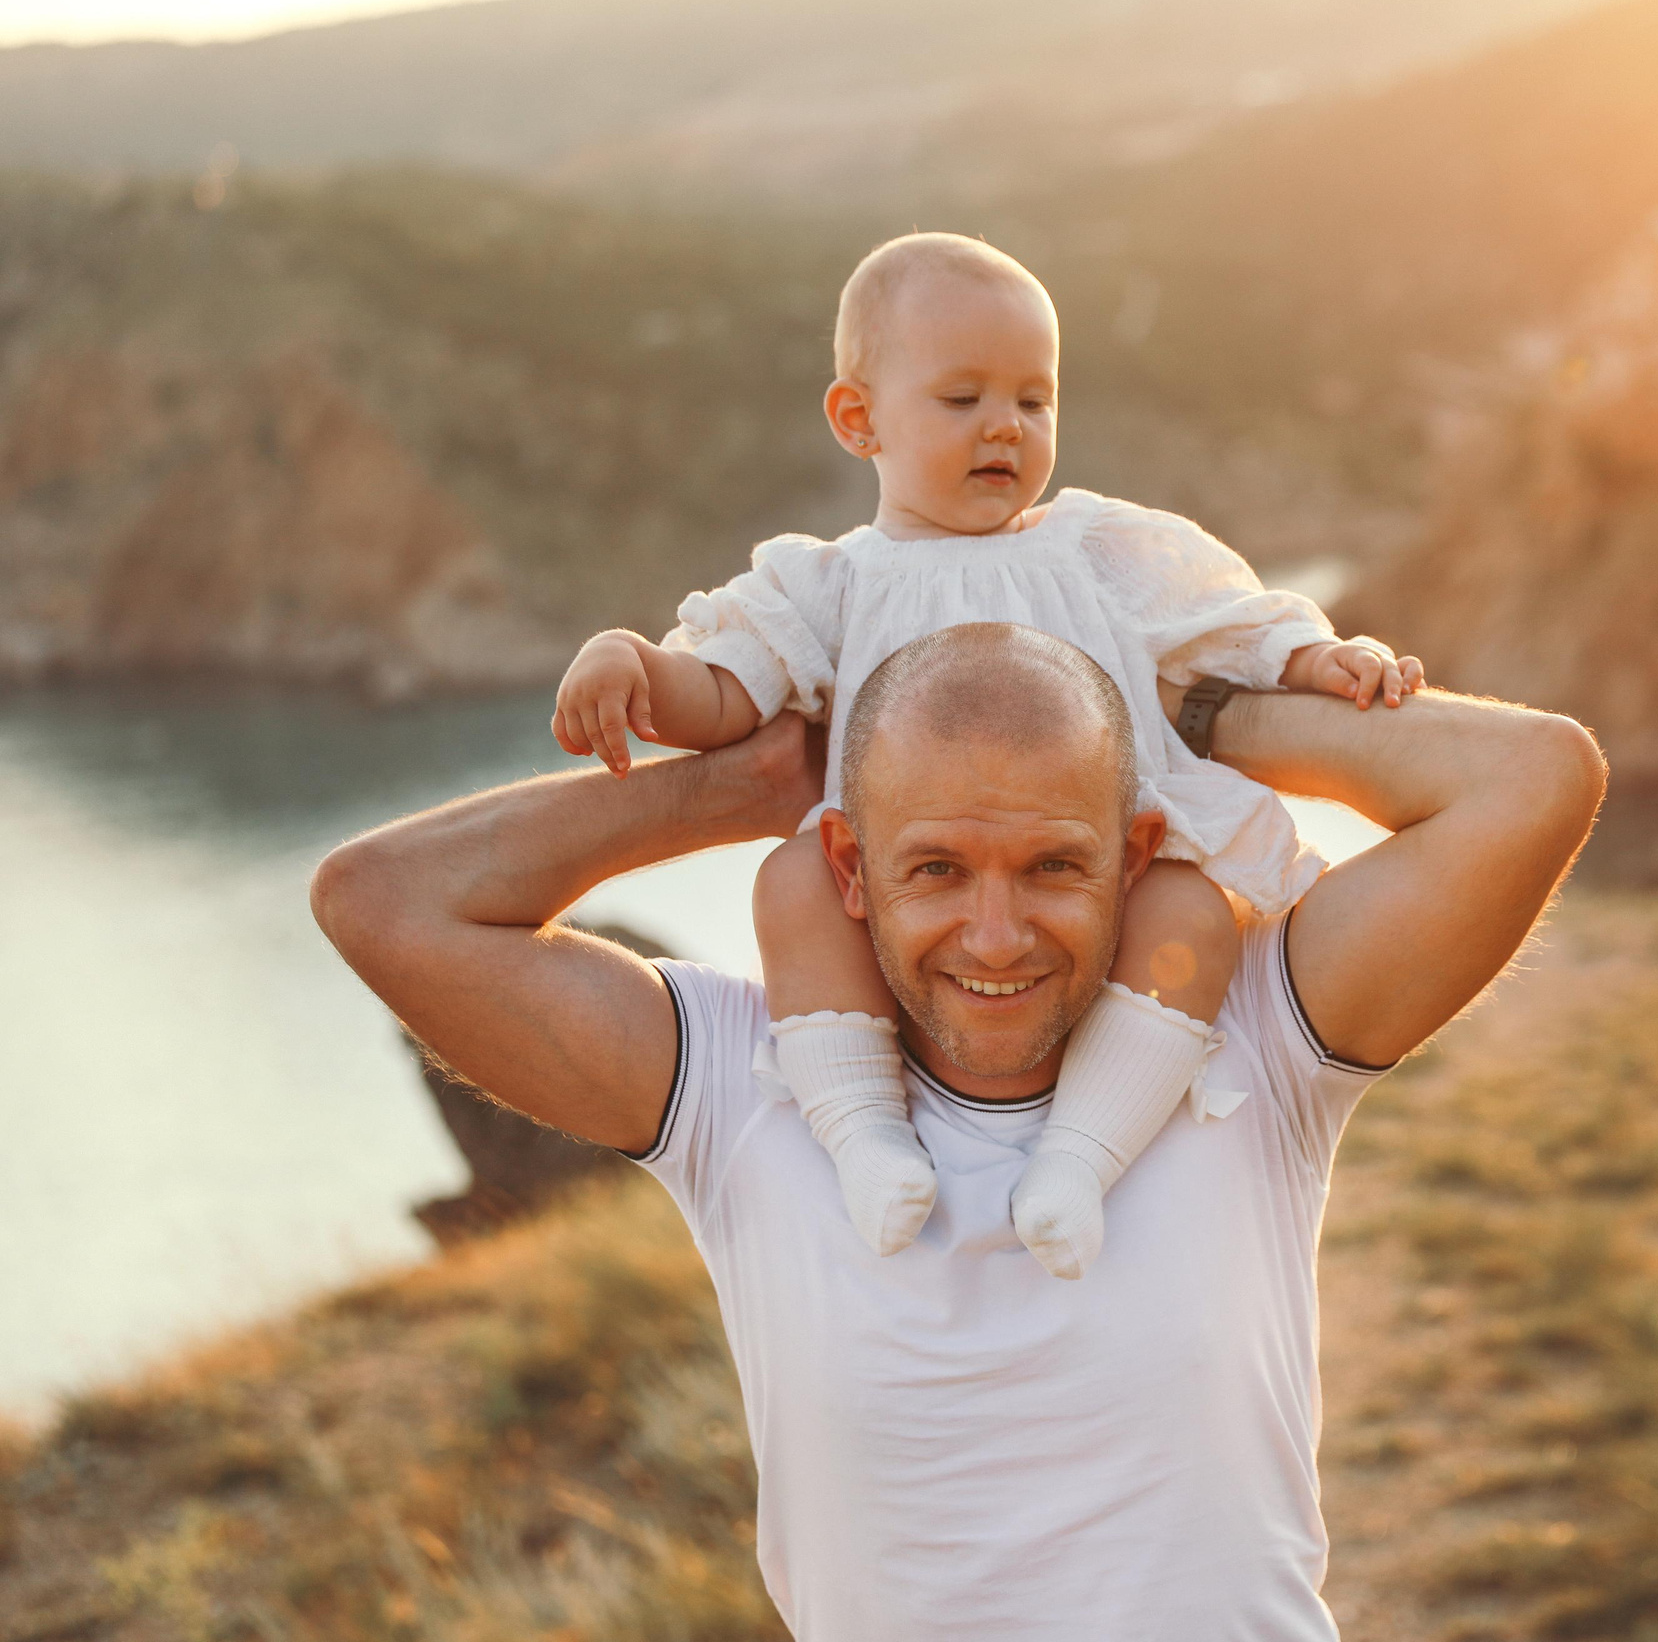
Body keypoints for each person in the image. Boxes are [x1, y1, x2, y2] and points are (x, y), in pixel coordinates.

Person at [310, 621, 1604, 1642]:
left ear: (1136, 849)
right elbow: (381, 899)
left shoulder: (1256, 1032)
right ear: (849, 867)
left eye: (1054, 863)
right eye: (935, 869)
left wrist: (1204, 705)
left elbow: (1535, 774)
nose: (997, 935)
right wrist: (737, 784)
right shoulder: (736, 1085)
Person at [549, 232, 1424, 1278]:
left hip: (1100, 864)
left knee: (1191, 913)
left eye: (1034, 400)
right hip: (908, 888)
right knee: (792, 886)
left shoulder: (1095, 548)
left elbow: (1226, 623)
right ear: (857, 418)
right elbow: (730, 691)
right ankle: (865, 1137)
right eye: (961, 399)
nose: (1005, 425)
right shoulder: (828, 585)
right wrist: (635, 667)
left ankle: (1079, 1161)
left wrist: (1320, 657)